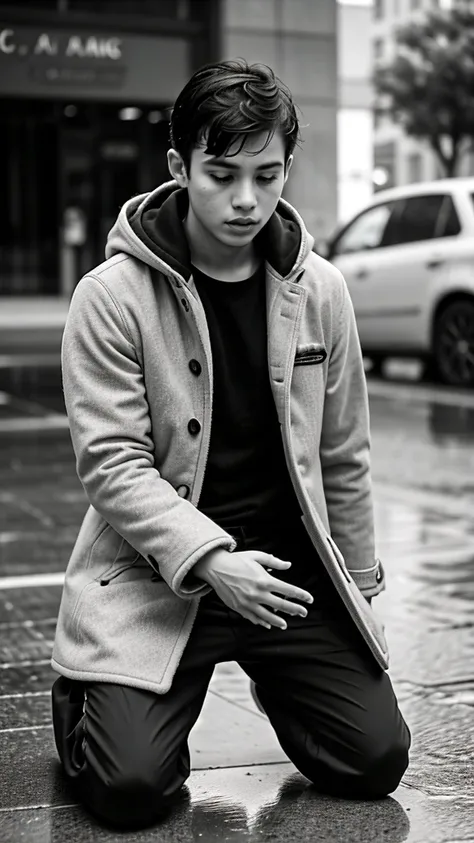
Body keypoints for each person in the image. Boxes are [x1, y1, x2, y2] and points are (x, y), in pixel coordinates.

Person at [51, 59, 410, 830]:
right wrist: (213, 560)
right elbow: (113, 466)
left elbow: (344, 454)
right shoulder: (109, 298)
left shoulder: (322, 290)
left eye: (266, 173)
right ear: (180, 167)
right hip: (162, 575)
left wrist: (363, 592)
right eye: (222, 174)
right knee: (130, 789)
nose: (246, 199)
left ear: (286, 167)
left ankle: (276, 673)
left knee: (376, 758)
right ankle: (93, 696)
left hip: (289, 578)